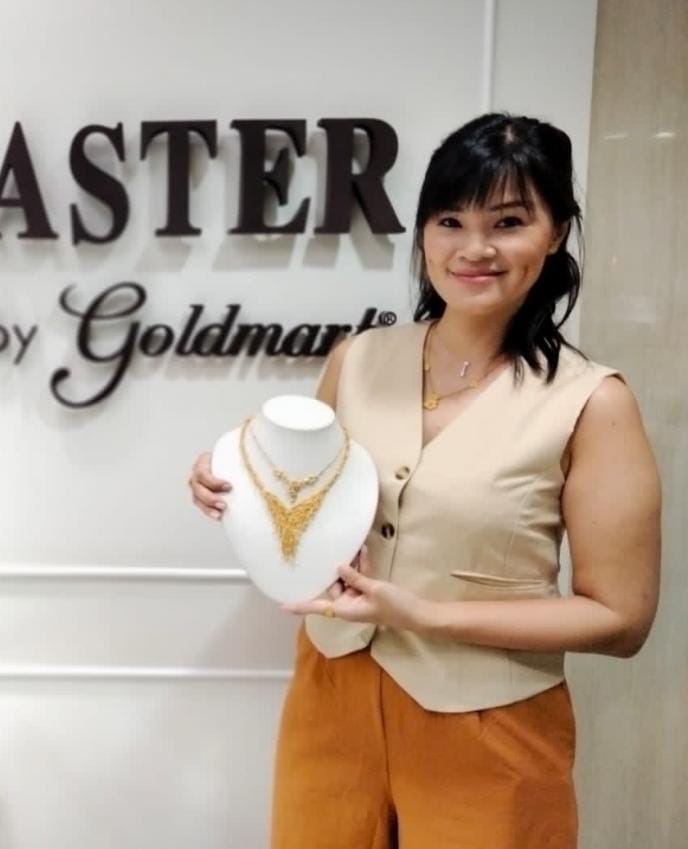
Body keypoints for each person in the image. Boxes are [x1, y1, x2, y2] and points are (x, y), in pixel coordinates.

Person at [187, 113, 661, 849]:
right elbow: (307, 497)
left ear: (557, 232)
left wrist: (426, 615)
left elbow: (620, 619)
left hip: (488, 725)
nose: (475, 248)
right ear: (423, 234)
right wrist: (231, 476)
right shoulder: (357, 360)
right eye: (450, 221)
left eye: (508, 222)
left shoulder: (593, 401)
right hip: (331, 697)